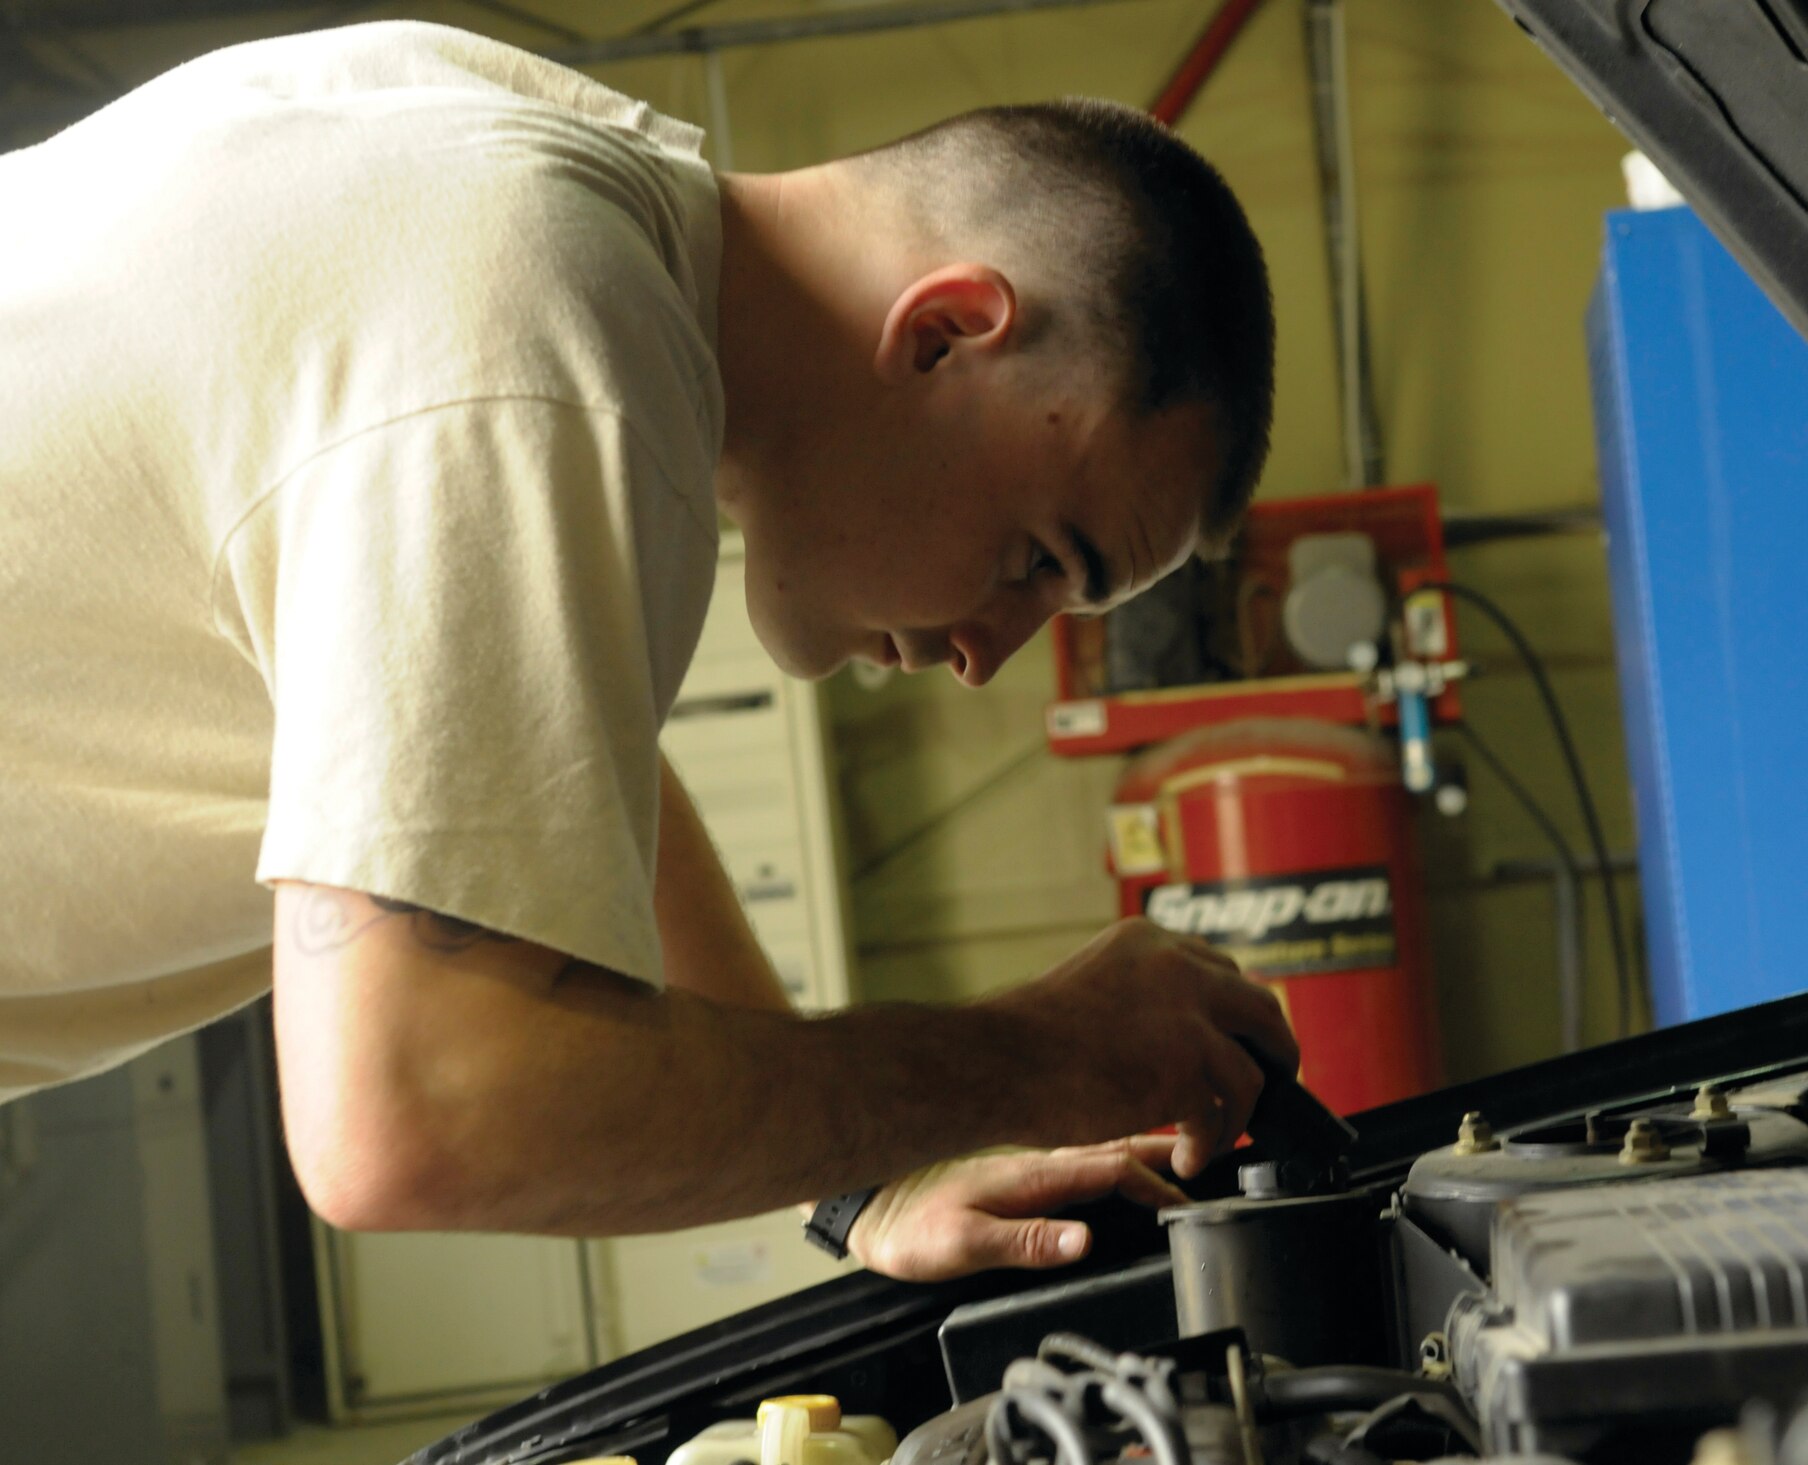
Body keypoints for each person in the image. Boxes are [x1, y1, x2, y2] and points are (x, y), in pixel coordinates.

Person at [0, 20, 1290, 1282]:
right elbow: (418, 1113)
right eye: (1039, 561)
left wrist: (861, 1178)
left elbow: (509, 752)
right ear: (944, 332)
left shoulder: (509, 167)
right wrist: (1035, 1058)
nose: (985, 656)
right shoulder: (539, 335)